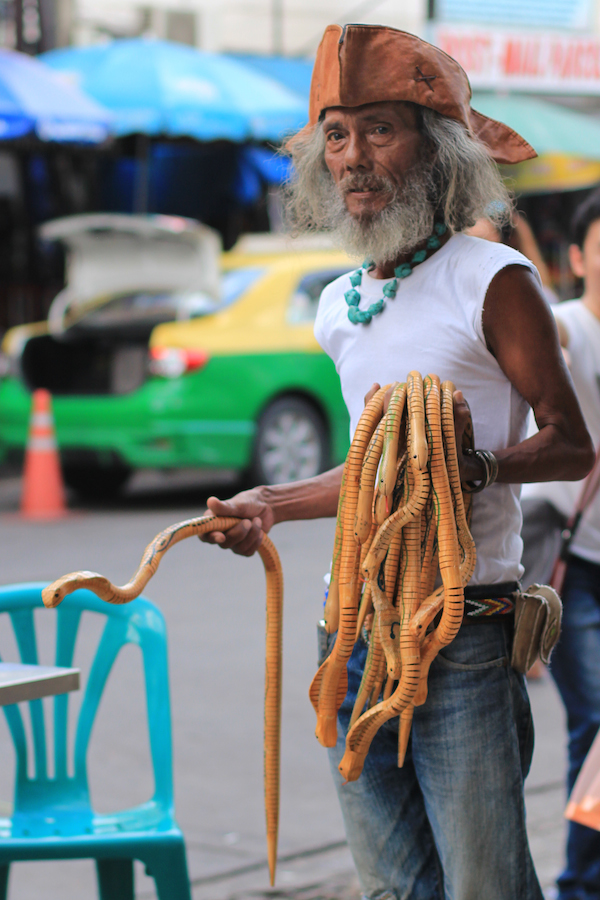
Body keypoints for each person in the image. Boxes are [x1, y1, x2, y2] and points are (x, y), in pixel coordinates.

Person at [201, 25, 594, 900]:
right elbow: (379, 473)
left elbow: (571, 444)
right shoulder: (340, 307)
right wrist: (271, 500)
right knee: (392, 887)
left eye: (380, 129)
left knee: (484, 887)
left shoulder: (493, 280)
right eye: (337, 134)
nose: (353, 156)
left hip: (464, 636)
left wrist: (476, 468)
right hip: (351, 632)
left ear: (437, 149)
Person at [522, 187, 600, 900]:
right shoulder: (566, 328)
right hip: (578, 565)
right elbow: (544, 334)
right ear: (578, 257)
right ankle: (580, 883)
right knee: (597, 718)